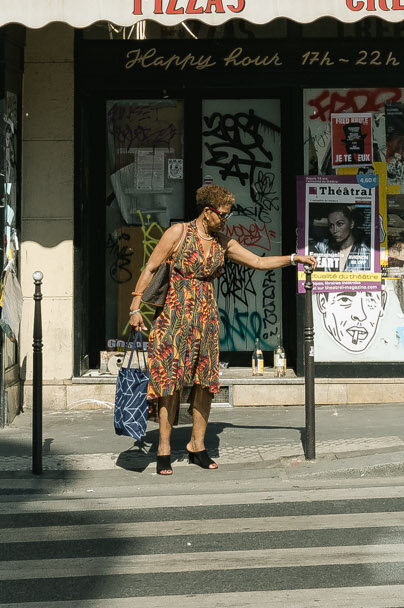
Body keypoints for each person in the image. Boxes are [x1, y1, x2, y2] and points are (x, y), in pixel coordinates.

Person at [129, 182, 311, 476]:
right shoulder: (178, 233)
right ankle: (163, 447)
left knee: (205, 382)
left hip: (205, 318)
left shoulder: (222, 242)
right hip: (173, 317)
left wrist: (293, 259)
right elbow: (150, 267)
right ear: (207, 212)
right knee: (169, 381)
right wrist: (135, 306)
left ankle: (196, 446)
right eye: (223, 214)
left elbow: (258, 261)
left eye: (228, 214)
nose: (226, 220)